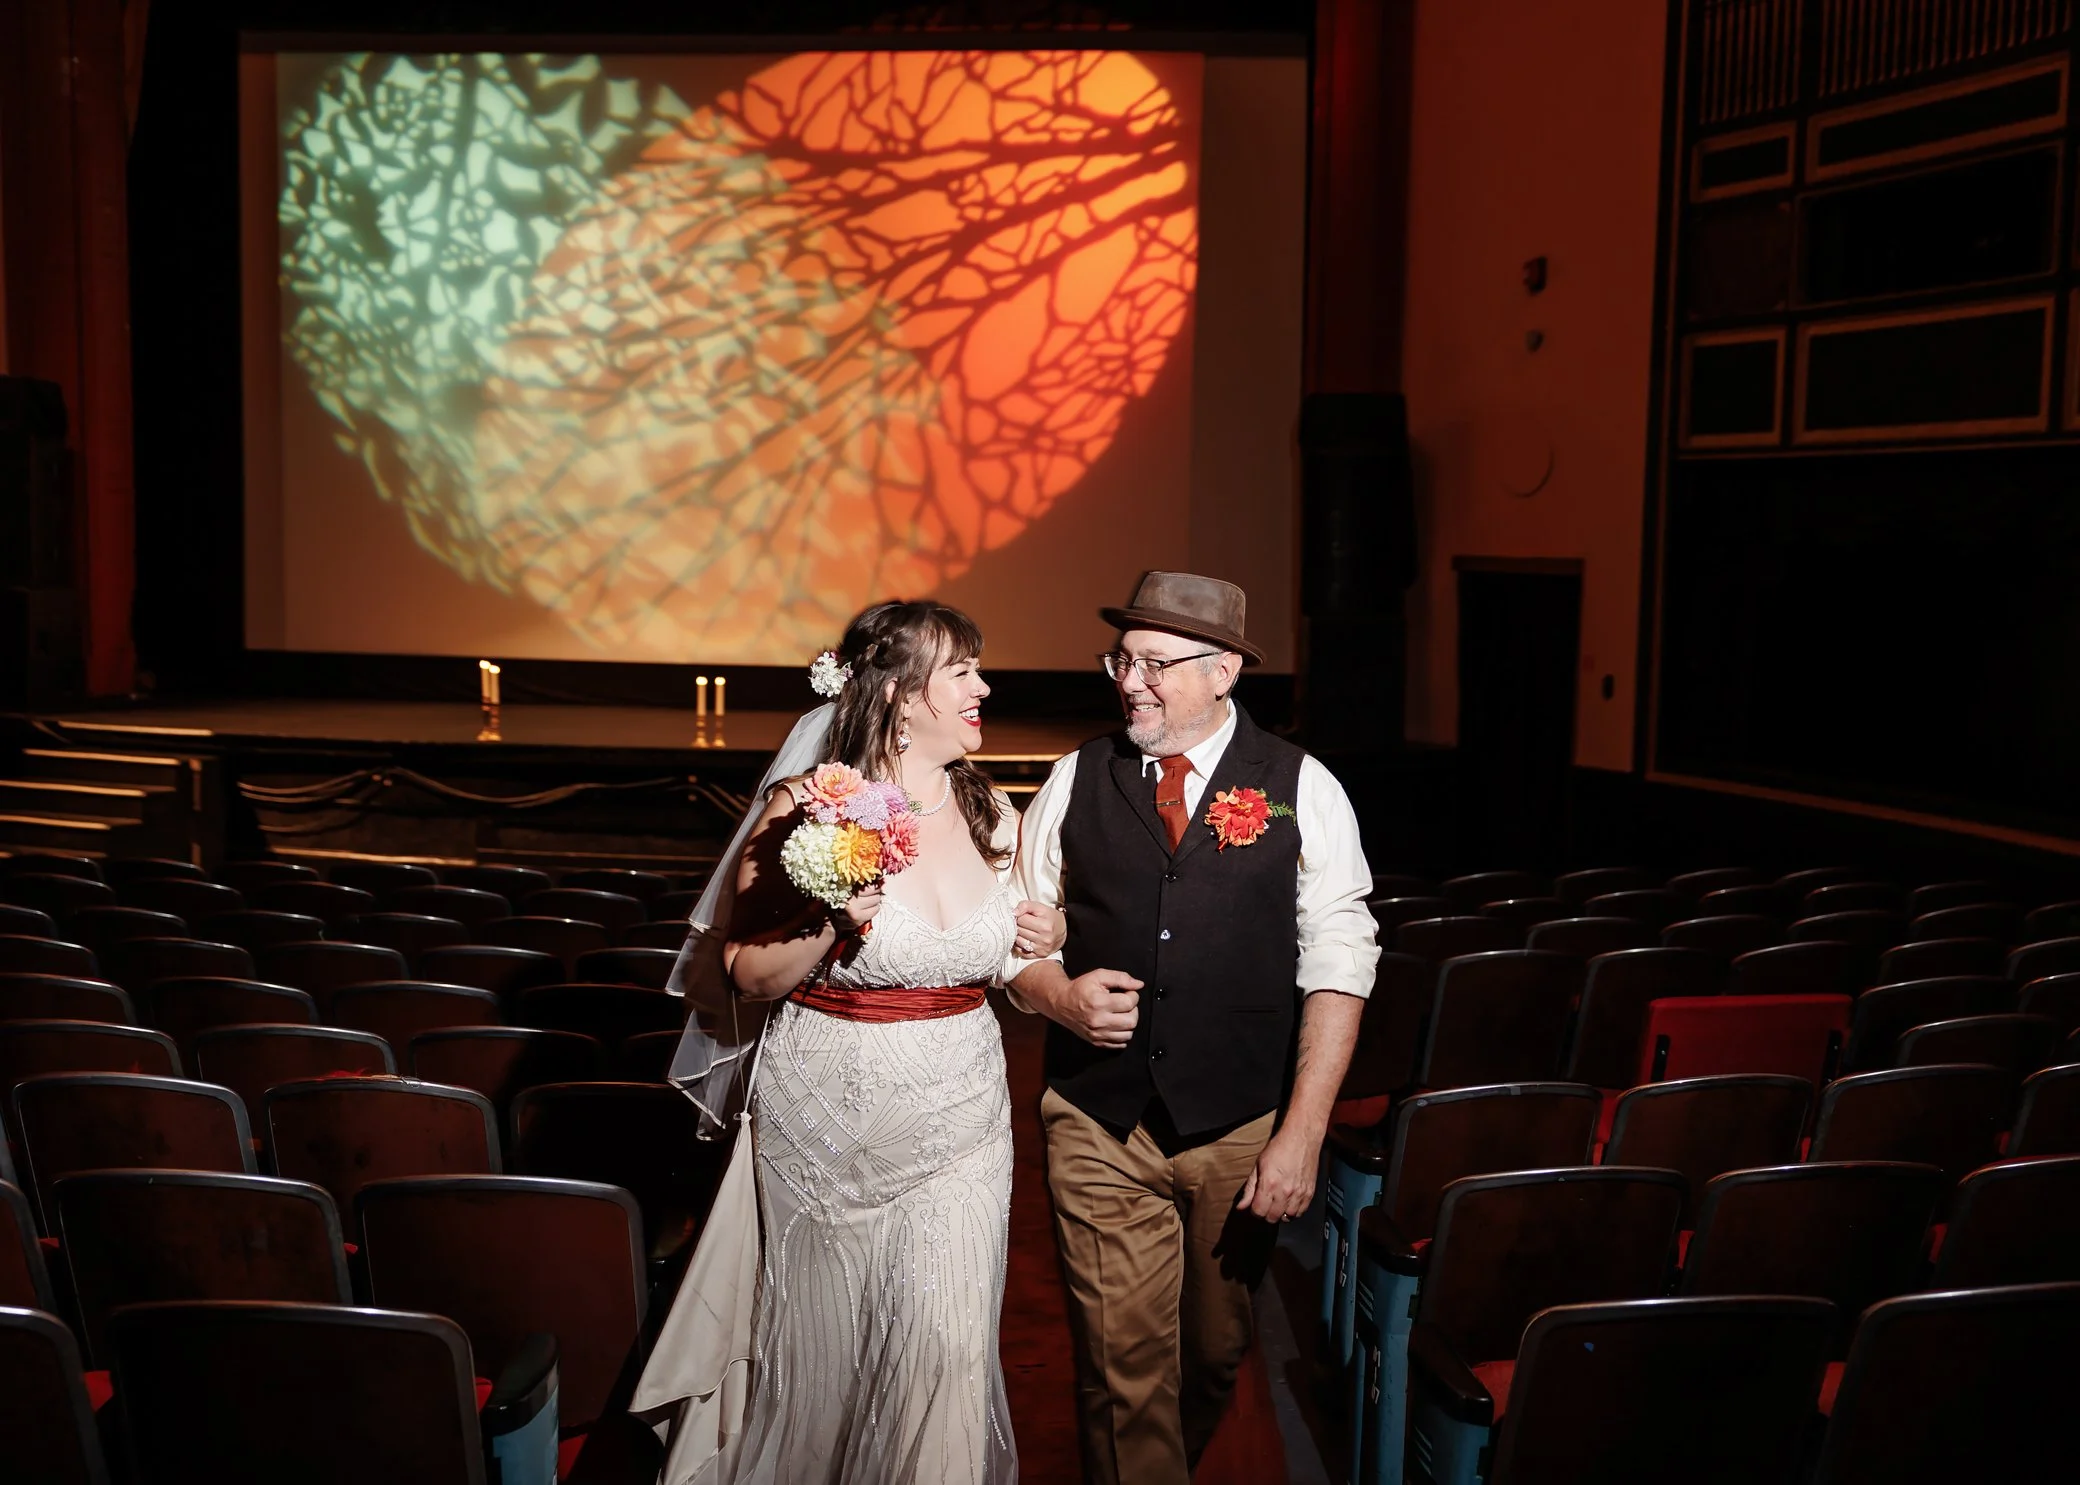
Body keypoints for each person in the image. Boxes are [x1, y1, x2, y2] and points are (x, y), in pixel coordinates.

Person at [635, 598, 1064, 1485]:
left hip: (961, 1126)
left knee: (944, 1350)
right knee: (820, 1358)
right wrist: (832, 919)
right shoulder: (808, 806)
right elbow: (748, 975)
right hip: (824, 1123)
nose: (983, 687)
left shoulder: (995, 816)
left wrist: (1048, 946)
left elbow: (1012, 969)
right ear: (904, 696)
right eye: (963, 672)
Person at [1005, 571, 1380, 1484]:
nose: (1130, 681)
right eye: (1121, 660)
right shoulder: (1074, 776)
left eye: (1155, 664)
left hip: (1242, 1130)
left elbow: (1342, 960)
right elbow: (1014, 935)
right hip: (1098, 1122)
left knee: (1211, 1356)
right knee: (1121, 1373)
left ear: (1223, 674)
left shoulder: (1302, 786)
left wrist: (1303, 1132)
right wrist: (1058, 996)